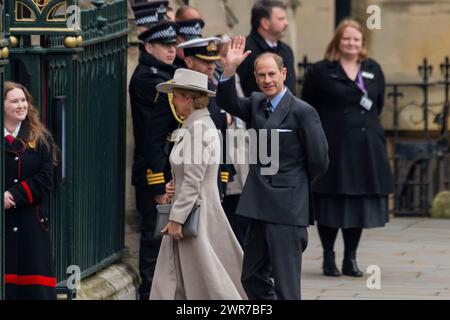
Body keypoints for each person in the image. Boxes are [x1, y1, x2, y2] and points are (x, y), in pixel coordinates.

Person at [217, 37, 329, 300]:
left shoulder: (303, 111)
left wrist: (293, 182)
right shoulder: (256, 103)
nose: (267, 80)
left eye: (272, 74)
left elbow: (319, 160)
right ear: (255, 78)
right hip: (258, 204)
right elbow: (227, 103)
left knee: (286, 284)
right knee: (251, 276)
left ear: (284, 74)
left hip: (287, 208)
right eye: (261, 75)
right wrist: (229, 70)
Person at [301, 19, 393, 277]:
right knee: (330, 202)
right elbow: (308, 107)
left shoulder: (373, 69)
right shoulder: (321, 71)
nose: (351, 43)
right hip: (334, 147)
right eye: (346, 38)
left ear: (362, 43)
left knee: (356, 205)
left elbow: (379, 104)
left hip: (365, 149)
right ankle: (328, 257)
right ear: (337, 41)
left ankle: (350, 258)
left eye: (356, 39)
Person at [150, 68, 247, 299]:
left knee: (207, 280)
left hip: (194, 214)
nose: (172, 99)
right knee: (189, 278)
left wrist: (176, 219)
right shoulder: (193, 125)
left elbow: (194, 181)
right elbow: (190, 174)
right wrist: (174, 185)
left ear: (187, 98)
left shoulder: (199, 128)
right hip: (192, 210)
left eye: (175, 95)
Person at [128, 20, 180, 300]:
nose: (171, 51)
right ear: (148, 47)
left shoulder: (164, 73)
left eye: (173, 45)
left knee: (162, 238)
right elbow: (152, 136)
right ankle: (148, 293)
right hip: (154, 170)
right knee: (153, 238)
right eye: (165, 46)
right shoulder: (151, 79)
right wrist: (159, 183)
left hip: (163, 166)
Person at [3, 81, 58, 300]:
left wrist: (12, 196)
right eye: (14, 101)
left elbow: (47, 178)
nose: (21, 105)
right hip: (3, 226)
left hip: (32, 224)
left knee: (34, 289)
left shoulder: (41, 138)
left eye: (23, 100)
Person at [178, 36, 234, 199]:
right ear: (188, 62)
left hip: (212, 174)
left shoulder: (213, 89)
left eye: (213, 62)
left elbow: (221, 135)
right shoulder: (180, 92)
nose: (211, 67)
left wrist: (223, 176)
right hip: (187, 172)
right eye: (205, 62)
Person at [237, 0, 297, 97]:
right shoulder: (245, 50)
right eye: (281, 19)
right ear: (265, 23)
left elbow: (291, 88)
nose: (286, 23)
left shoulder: (286, 51)